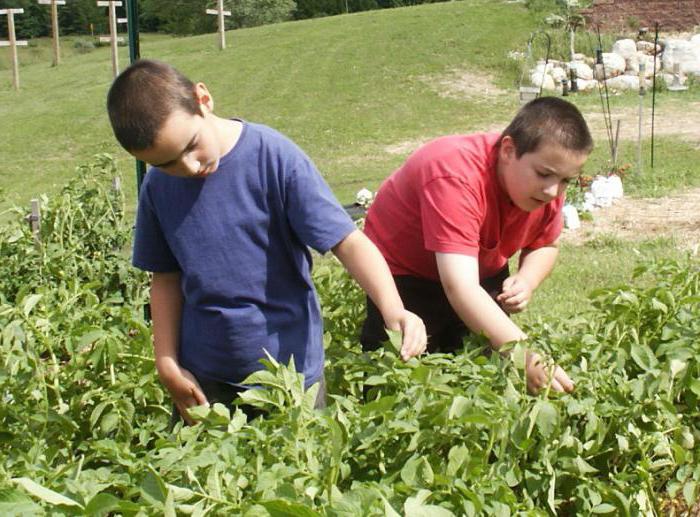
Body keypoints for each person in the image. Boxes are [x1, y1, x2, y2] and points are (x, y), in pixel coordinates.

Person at [106, 59, 427, 424]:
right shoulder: (158, 188)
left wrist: (393, 307)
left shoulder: (272, 157)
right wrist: (167, 362)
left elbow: (347, 241)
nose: (189, 167)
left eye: (191, 146)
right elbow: (165, 280)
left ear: (203, 99)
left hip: (291, 377)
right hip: (207, 380)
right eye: (166, 163)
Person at [360, 97, 593, 394]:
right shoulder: (454, 174)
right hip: (405, 275)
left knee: (487, 373)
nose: (553, 191)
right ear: (508, 150)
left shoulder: (545, 184)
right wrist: (523, 354)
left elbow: (546, 243)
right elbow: (461, 287)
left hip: (477, 268)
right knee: (401, 374)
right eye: (544, 174)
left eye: (565, 181)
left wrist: (527, 279)